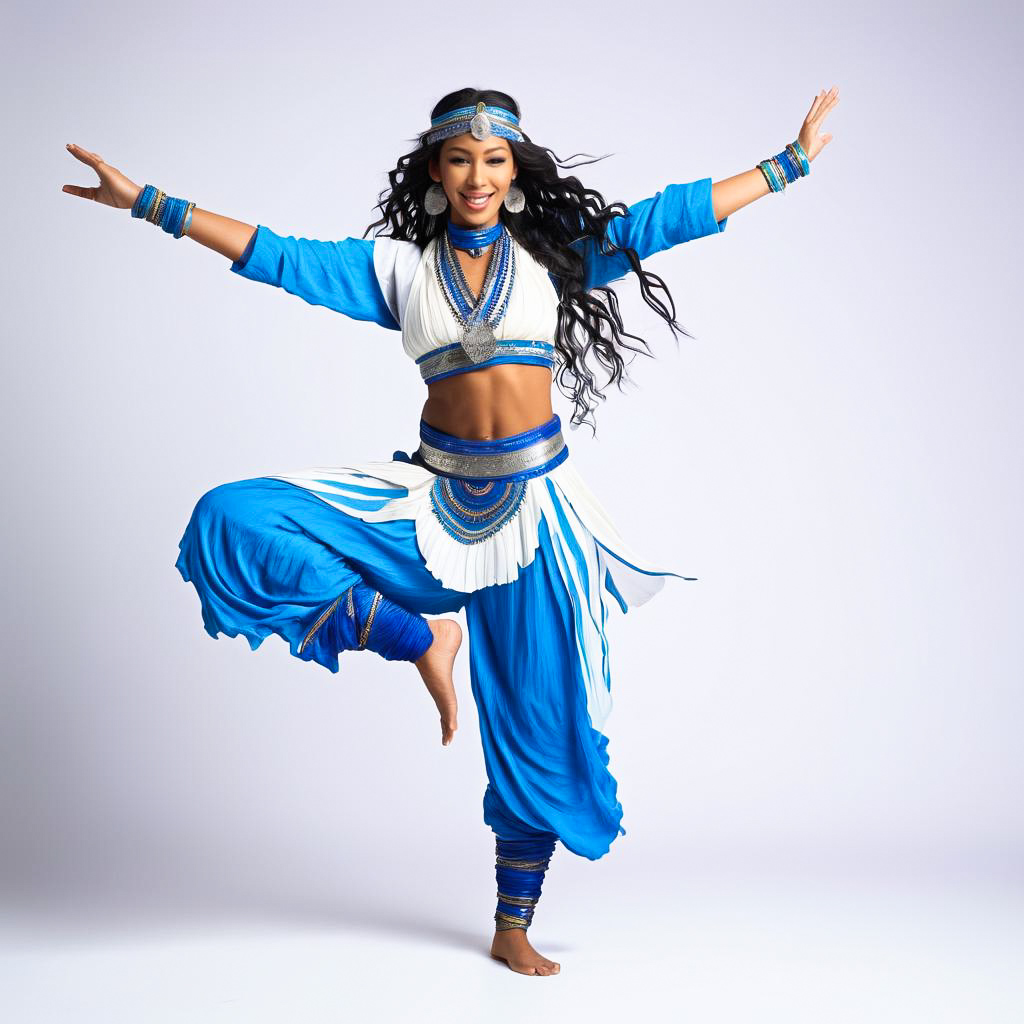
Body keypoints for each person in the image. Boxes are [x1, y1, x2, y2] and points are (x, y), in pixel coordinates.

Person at [61, 85, 839, 976]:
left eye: (494, 160)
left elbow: (669, 219)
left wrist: (790, 164)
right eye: (460, 159)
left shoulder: (558, 259)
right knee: (234, 519)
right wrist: (149, 203)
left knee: (541, 722)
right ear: (436, 171)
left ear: (514, 174)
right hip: (432, 504)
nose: (477, 175)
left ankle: (513, 922)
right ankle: (416, 634)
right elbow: (276, 256)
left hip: (540, 517)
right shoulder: (397, 272)